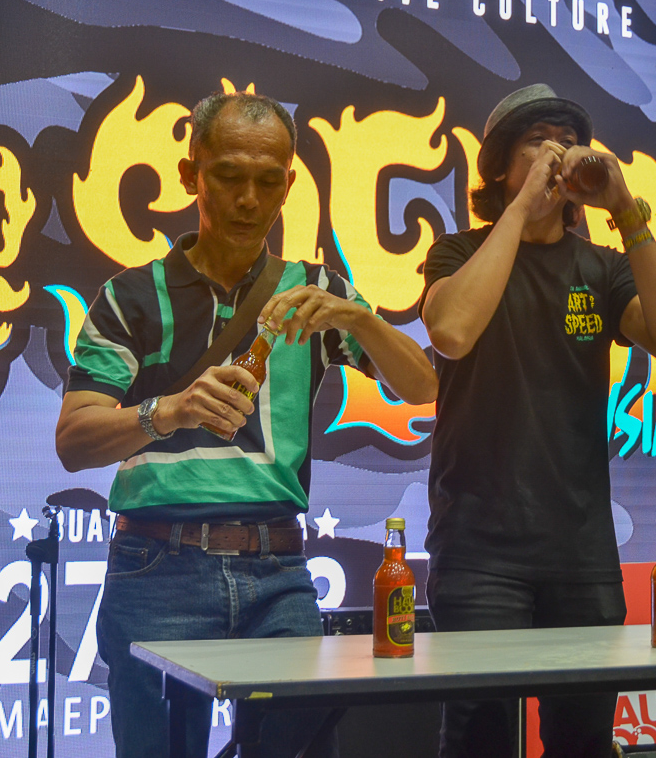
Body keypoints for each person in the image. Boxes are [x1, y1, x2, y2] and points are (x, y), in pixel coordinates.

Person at [55, 91, 438, 758]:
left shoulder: (315, 292)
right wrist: (168, 410)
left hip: (279, 569)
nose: (248, 199)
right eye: (229, 176)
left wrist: (357, 316)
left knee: (302, 739)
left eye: (268, 181)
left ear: (289, 185)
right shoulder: (131, 295)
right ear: (190, 175)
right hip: (158, 566)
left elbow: (424, 387)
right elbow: (73, 440)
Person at [417, 83, 656, 758]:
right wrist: (522, 210)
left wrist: (624, 208)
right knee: (480, 739)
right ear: (498, 169)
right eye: (535, 143)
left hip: (581, 552)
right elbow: (451, 330)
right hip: (479, 550)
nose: (555, 154)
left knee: (585, 740)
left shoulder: (601, 268)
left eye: (566, 143)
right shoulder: (456, 253)